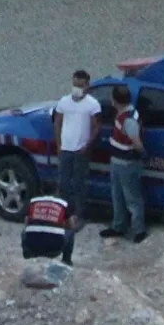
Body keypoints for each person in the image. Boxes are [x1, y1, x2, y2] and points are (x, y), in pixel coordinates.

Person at [51, 70, 100, 230]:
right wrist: (59, 144)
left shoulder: (92, 104)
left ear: (87, 86)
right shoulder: (64, 102)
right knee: (63, 184)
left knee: (79, 184)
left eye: (80, 85)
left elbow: (96, 126)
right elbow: (58, 123)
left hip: (81, 150)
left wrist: (88, 145)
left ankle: (79, 216)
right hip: (65, 149)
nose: (76, 88)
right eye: (75, 85)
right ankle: (61, 214)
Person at [100, 84, 148, 244]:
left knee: (132, 199)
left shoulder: (128, 120)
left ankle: (139, 230)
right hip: (118, 162)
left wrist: (139, 155)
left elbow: (137, 144)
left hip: (127, 164)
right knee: (118, 196)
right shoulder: (125, 115)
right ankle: (118, 226)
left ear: (115, 100)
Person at [22, 193, 75, 265]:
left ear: (41, 190)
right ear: (57, 190)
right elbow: (71, 226)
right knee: (70, 232)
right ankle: (67, 261)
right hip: (54, 249)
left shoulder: (33, 202)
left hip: (33, 248)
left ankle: (27, 255)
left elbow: (26, 224)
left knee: (24, 232)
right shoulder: (63, 203)